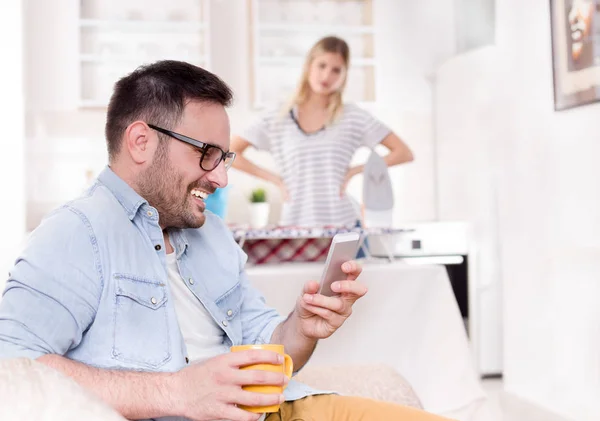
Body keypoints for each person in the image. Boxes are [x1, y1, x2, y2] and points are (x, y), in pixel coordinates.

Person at [0, 60, 450, 421]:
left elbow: (266, 344)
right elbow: (10, 364)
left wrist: (301, 328)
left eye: (225, 157)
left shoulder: (210, 233)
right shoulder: (76, 232)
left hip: (282, 407)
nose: (221, 176)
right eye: (207, 154)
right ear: (140, 141)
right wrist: (176, 392)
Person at [231, 36, 414, 228]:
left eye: (336, 70)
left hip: (344, 225)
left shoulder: (353, 116)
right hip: (295, 225)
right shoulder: (278, 117)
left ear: (344, 75)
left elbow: (403, 153)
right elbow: (230, 152)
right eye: (322, 65)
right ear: (309, 65)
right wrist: (277, 181)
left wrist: (355, 171)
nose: (327, 76)